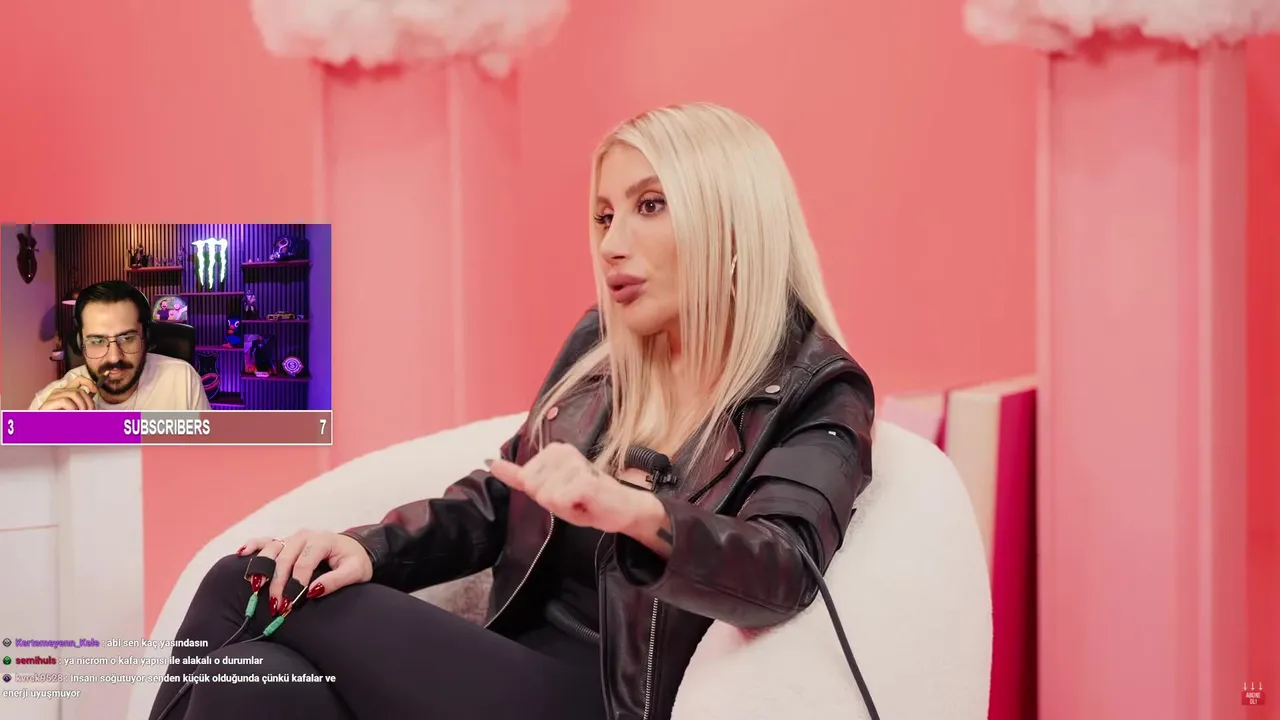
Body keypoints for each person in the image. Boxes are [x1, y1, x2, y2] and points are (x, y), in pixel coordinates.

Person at [148, 103, 874, 720]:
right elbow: (500, 499)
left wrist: (635, 513)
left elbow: (783, 568)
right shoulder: (602, 351)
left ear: (734, 222)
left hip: (605, 702)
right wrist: (372, 548)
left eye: (650, 206)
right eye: (604, 215)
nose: (611, 244)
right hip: (500, 669)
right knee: (249, 685)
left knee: (245, 586)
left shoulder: (817, 388)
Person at [30, 280, 211, 411]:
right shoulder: (47, 405)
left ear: (147, 338)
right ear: (80, 344)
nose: (114, 357)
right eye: (97, 341)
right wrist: (41, 436)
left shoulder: (183, 380)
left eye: (127, 338)